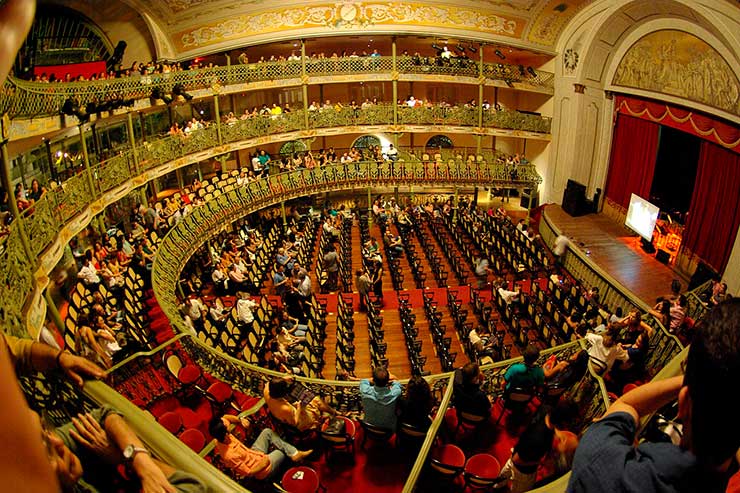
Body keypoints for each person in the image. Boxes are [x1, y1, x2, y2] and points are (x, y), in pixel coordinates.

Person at [569, 300, 740, 493]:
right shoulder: (726, 478)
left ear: (683, 403)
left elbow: (627, 404)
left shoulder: (602, 462)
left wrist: (694, 380)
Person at [44, 406, 206, 493]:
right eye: (45, 450)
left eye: (44, 429)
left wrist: (140, 460)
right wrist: (122, 459)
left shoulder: (54, 444)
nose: (57, 441)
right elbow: (194, 487)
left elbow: (106, 414)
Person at [495, 400, 579, 493]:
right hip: (523, 470)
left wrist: (555, 434)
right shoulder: (539, 439)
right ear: (564, 422)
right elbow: (516, 460)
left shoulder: (545, 409)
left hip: (519, 448)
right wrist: (539, 462)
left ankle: (496, 486)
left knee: (505, 472)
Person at [209, 416, 312, 480]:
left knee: (267, 432)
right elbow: (247, 473)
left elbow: (226, 417)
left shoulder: (219, 437)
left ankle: (294, 454)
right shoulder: (229, 456)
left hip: (253, 452)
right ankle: (291, 455)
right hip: (261, 469)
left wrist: (240, 420)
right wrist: (264, 463)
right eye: (227, 429)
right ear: (225, 433)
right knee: (280, 451)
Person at [263, 375, 337, 431]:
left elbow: (270, 382)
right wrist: (299, 407)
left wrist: (284, 379)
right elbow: (295, 423)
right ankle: (325, 418)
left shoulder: (266, 391)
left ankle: (333, 412)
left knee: (315, 400)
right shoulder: (285, 408)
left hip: (289, 413)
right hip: (299, 423)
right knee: (316, 403)